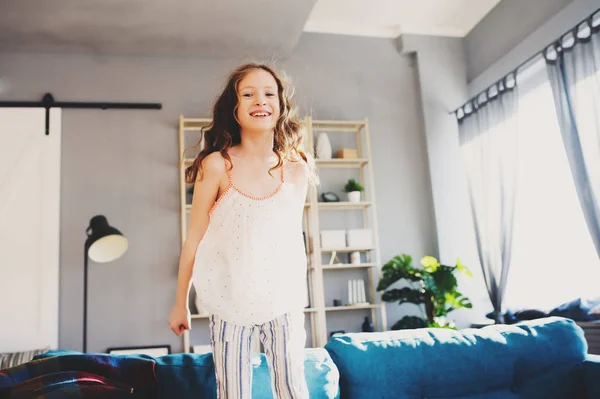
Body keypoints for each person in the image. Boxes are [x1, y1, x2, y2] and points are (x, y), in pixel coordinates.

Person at [168, 62, 317, 399]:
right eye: (248, 94)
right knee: (233, 392)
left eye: (269, 93)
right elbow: (194, 239)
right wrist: (181, 303)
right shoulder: (218, 165)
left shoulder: (296, 167)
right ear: (234, 108)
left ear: (280, 104)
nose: (260, 101)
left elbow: (290, 239)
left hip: (282, 299)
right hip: (228, 298)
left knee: (293, 389)